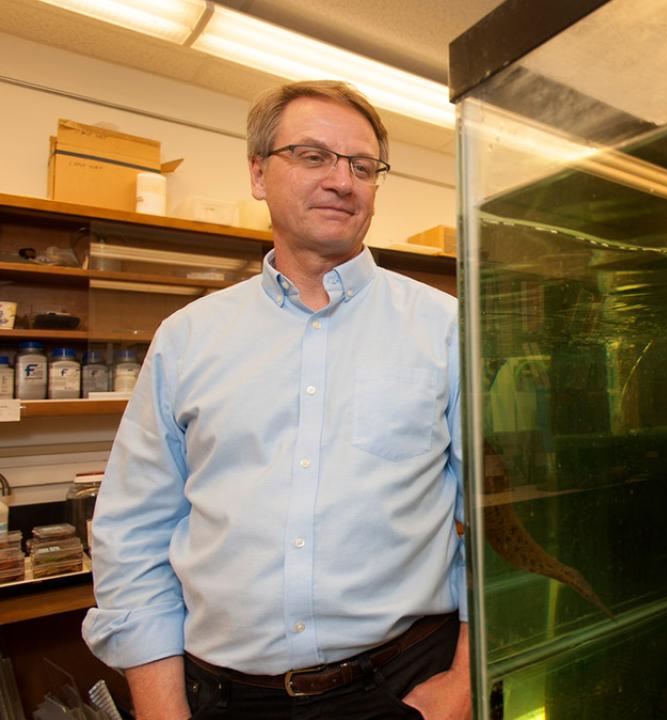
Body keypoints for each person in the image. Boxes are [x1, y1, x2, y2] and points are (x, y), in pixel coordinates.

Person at [82, 80, 470, 720]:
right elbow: (132, 535)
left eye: (363, 165)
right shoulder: (188, 339)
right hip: (226, 699)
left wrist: (462, 679)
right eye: (314, 156)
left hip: (405, 689)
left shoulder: (447, 328)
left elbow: (493, 523)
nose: (343, 181)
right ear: (259, 173)